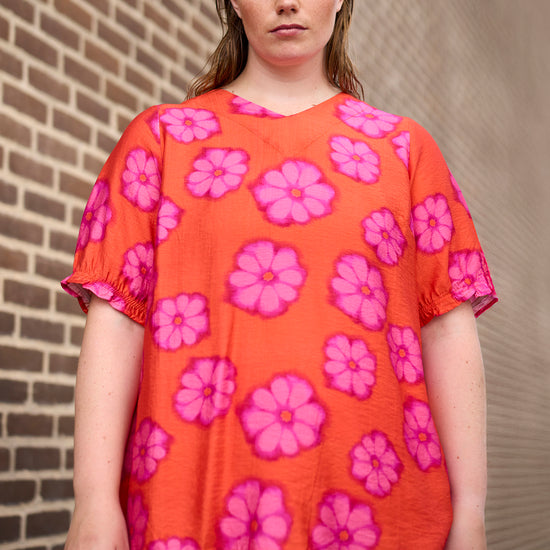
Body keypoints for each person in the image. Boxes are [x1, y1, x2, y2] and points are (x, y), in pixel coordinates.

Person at [62, 1, 497, 549]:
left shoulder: (406, 152)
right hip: (190, 507)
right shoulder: (161, 141)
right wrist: (93, 500)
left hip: (382, 511)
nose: (286, 2)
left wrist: (471, 511)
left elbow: (447, 332)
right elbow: (117, 324)